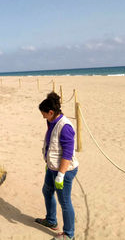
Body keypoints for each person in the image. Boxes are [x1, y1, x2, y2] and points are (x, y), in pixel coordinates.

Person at [35, 92, 79, 240]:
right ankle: (51, 221)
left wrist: (60, 175)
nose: (43, 117)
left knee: (65, 202)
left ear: (51, 112)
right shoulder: (51, 120)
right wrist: (49, 163)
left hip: (64, 171)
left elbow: (67, 154)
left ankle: (69, 234)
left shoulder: (65, 127)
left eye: (44, 114)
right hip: (52, 167)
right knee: (46, 191)